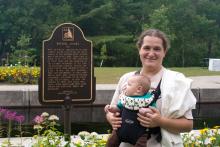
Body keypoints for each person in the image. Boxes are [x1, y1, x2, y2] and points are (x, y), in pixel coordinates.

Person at [105, 29, 197, 147]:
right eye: (147, 48)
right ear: (139, 50)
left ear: (165, 52)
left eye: (157, 49)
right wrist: (111, 118)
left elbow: (188, 125)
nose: (151, 53)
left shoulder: (177, 82)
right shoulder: (126, 79)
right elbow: (112, 111)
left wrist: (160, 121)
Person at [105, 75, 160, 147]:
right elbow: (118, 108)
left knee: (141, 144)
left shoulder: (148, 101)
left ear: (139, 89)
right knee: (111, 142)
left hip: (140, 133)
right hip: (120, 129)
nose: (125, 86)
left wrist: (148, 111)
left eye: (129, 85)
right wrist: (111, 109)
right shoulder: (126, 99)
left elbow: (153, 112)